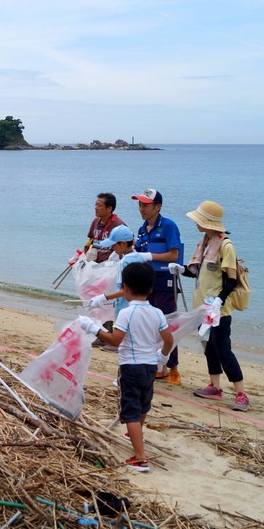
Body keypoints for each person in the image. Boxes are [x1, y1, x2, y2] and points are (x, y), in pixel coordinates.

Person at [81, 262, 172, 473]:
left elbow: (114, 340)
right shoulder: (157, 312)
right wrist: (163, 357)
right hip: (150, 367)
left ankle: (140, 458)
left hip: (131, 367)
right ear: (150, 288)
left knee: (130, 410)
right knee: (143, 404)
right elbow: (169, 339)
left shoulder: (126, 313)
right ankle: (135, 434)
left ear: (126, 288)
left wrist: (94, 328)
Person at [171, 200, 250, 412]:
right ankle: (215, 387)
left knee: (224, 350)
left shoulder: (225, 246)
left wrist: (219, 300)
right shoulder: (205, 242)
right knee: (209, 349)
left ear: (209, 223)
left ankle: (241, 393)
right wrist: (180, 270)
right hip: (202, 309)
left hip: (218, 311)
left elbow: (231, 280)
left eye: (199, 220)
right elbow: (198, 272)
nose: (196, 223)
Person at [131, 188, 184, 384]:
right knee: (150, 325)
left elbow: (174, 254)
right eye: (139, 204)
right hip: (146, 283)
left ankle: (173, 367)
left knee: (168, 324)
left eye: (145, 205)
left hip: (165, 282)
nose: (141, 209)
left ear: (157, 206)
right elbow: (139, 253)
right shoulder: (142, 229)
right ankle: (156, 365)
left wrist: (150, 256)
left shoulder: (168, 226)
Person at [87, 225, 153, 352]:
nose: (112, 248)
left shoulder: (125, 262)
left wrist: (103, 297)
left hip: (124, 307)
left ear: (123, 244)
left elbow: (126, 290)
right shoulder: (138, 257)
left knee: (121, 333)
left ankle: (116, 345)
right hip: (138, 306)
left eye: (114, 245)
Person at [86, 193, 125, 263]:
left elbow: (130, 245)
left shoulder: (118, 225)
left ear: (109, 208)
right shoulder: (96, 222)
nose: (96, 207)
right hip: (94, 264)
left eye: (99, 205)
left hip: (111, 267)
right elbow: (91, 240)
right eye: (95, 204)